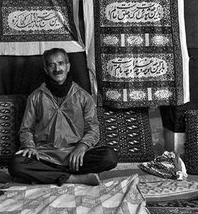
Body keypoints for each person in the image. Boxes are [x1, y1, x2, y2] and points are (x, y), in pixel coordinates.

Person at [8, 48, 118, 185]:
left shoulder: (83, 96)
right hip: (45, 156)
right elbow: (26, 129)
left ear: (68, 67)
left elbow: (93, 129)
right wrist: (30, 146)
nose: (57, 69)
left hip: (76, 156)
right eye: (51, 65)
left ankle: (49, 176)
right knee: (16, 165)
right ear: (46, 69)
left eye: (60, 63)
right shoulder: (36, 97)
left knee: (109, 157)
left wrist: (82, 147)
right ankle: (73, 178)